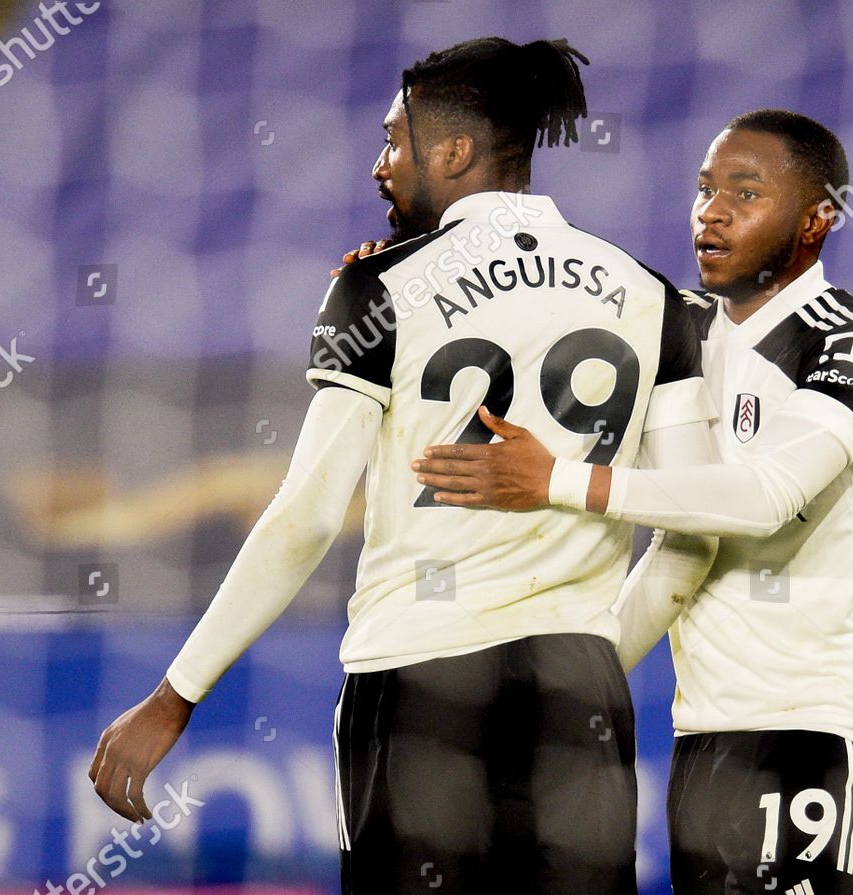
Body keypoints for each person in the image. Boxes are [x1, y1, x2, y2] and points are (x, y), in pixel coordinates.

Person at [87, 37, 716, 895]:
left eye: (393, 141)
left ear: (454, 151)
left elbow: (306, 515)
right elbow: (692, 538)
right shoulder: (659, 298)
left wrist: (175, 695)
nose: (380, 166)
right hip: (581, 699)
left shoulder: (379, 287)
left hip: (421, 685)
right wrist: (589, 653)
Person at [411, 109, 853, 894]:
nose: (710, 212)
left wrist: (556, 482)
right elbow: (521, 296)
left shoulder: (852, 339)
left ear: (817, 219)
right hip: (704, 736)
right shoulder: (665, 327)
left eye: (744, 193)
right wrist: (397, 272)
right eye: (704, 189)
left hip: (822, 724)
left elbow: (761, 499)